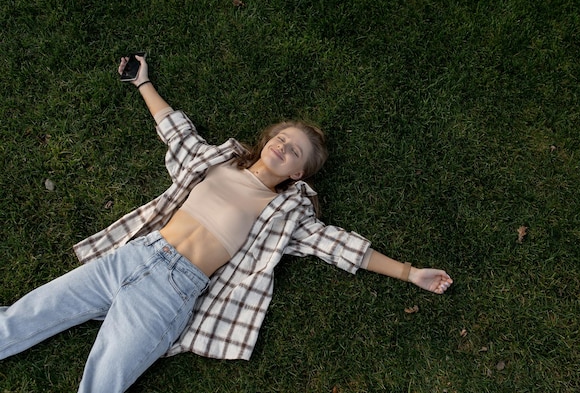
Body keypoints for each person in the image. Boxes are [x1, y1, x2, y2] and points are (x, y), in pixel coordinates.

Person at [0, 55, 453, 393]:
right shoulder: (217, 162)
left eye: (295, 151)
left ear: (298, 173)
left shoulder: (285, 214)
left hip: (171, 292)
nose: (283, 146)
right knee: (22, 317)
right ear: (266, 140)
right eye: (282, 138)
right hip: (132, 256)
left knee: (101, 385)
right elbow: (175, 130)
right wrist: (142, 81)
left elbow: (341, 246)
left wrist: (411, 272)